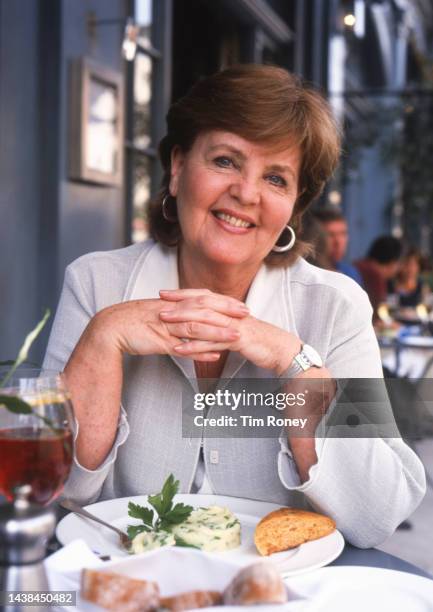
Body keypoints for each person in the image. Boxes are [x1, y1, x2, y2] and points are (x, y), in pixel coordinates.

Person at [43, 65, 425, 548]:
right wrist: (103, 337)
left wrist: (296, 362)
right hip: (130, 586)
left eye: (276, 178)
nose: (247, 193)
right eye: (225, 161)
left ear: (294, 207)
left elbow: (378, 512)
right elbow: (57, 493)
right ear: (178, 168)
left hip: (281, 592)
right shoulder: (96, 283)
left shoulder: (335, 306)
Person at [354, 235, 403, 317]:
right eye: (399, 263)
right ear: (392, 262)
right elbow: (376, 315)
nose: (399, 268)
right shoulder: (375, 276)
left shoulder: (357, 266)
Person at [314, 207, 363, 285]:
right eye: (330, 235)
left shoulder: (349, 272)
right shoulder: (307, 273)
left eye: (343, 234)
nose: (338, 242)